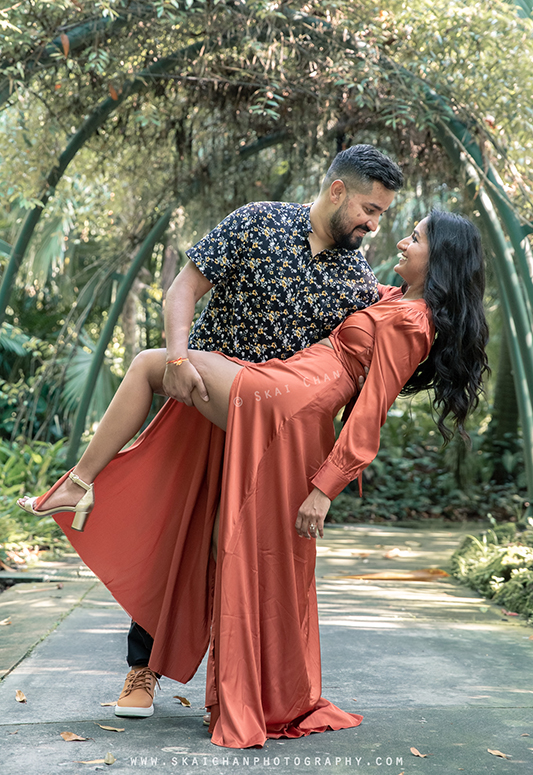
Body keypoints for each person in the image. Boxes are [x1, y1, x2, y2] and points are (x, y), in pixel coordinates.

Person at [18, 210, 489, 749]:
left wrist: (324, 489)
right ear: (339, 190)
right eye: (388, 221)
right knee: (231, 540)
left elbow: (371, 411)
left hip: (286, 399)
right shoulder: (392, 299)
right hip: (289, 395)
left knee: (153, 364)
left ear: (443, 256)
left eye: (416, 237)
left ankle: (79, 482)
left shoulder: (412, 320)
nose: (399, 240)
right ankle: (234, 690)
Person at [123, 142, 404, 716]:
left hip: (273, 439)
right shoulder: (256, 222)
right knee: (179, 539)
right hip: (202, 404)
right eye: (369, 210)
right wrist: (176, 358)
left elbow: (366, 353)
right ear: (336, 191)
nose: (373, 225)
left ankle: (233, 685)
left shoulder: (355, 276)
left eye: (382, 217)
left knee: (245, 556)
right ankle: (141, 671)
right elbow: (184, 287)